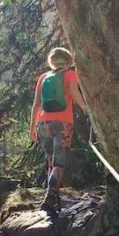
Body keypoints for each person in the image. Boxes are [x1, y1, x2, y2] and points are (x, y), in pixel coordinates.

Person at [30, 47, 88, 211]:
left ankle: (52, 195)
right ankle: (50, 196)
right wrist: (85, 107)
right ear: (68, 61)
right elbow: (74, 92)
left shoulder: (43, 77)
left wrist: (32, 127)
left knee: (50, 160)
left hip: (43, 123)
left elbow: (36, 104)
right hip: (63, 123)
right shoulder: (69, 74)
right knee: (59, 163)